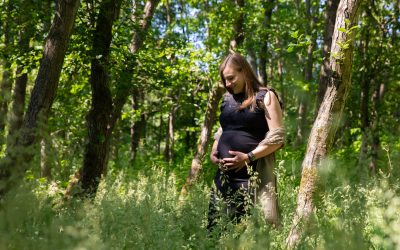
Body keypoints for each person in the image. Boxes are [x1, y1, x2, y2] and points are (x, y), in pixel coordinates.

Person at [207, 53, 285, 231]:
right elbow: (224, 129)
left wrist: (248, 157)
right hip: (225, 178)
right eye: (224, 80)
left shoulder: (265, 96)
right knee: (215, 229)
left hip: (253, 177)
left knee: (254, 232)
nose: (227, 84)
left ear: (244, 72)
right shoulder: (227, 100)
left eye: (231, 78)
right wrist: (214, 151)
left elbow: (277, 138)